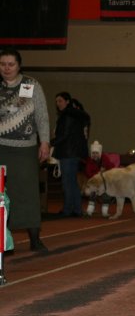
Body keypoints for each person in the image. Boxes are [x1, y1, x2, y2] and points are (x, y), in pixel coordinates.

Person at [0, 49, 51, 252]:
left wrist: (45, 142)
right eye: (2, 64)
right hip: (1, 148)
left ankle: (35, 239)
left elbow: (42, 116)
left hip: (25, 150)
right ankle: (4, 240)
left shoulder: (31, 85)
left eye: (11, 64)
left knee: (28, 194)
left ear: (19, 65)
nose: (6, 68)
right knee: (1, 196)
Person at [51, 91, 90, 218]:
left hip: (67, 152)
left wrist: (51, 142)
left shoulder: (67, 115)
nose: (58, 104)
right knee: (72, 182)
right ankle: (76, 209)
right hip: (73, 152)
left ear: (68, 101)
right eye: (57, 101)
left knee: (68, 182)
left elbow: (64, 134)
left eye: (60, 101)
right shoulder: (75, 115)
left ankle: (68, 209)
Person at [83, 140, 117, 217]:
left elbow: (112, 168)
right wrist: (98, 173)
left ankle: (105, 212)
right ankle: (89, 211)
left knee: (106, 195)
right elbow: (88, 173)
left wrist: (105, 172)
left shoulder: (105, 159)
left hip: (104, 183)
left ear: (100, 153)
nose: (95, 155)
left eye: (96, 153)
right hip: (94, 182)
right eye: (93, 153)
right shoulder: (89, 161)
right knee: (92, 194)